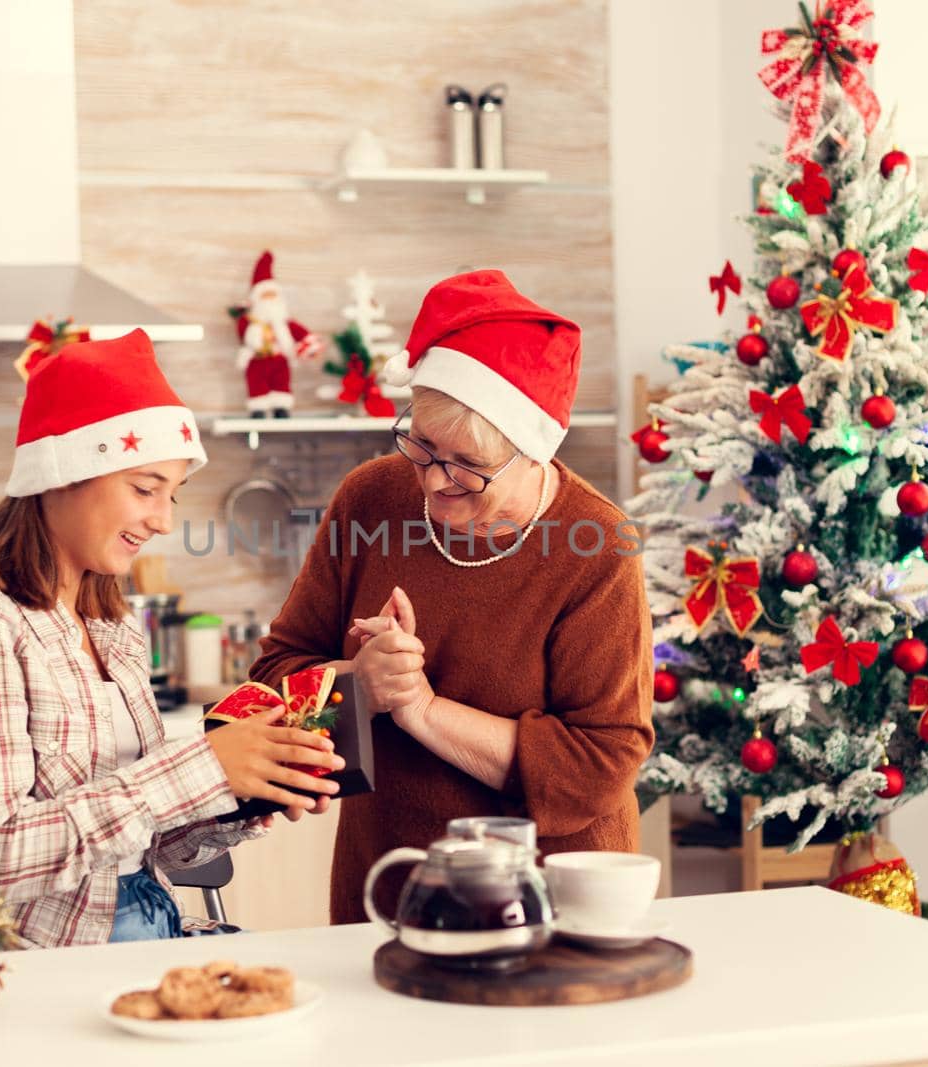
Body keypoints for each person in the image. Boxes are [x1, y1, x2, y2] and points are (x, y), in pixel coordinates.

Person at [249, 271, 655, 923]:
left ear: (532, 451)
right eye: (423, 445)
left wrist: (420, 707)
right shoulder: (371, 499)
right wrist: (359, 684)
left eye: (466, 464)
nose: (434, 482)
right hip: (387, 894)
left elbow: (599, 765)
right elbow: (270, 683)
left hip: (547, 908)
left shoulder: (599, 545)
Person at [0, 329, 341, 947]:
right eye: (145, 489)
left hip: (151, 922)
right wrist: (200, 768)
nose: (164, 520)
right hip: (51, 962)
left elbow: (140, 846)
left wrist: (241, 790)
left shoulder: (114, 627)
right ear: (63, 473)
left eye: (172, 495)